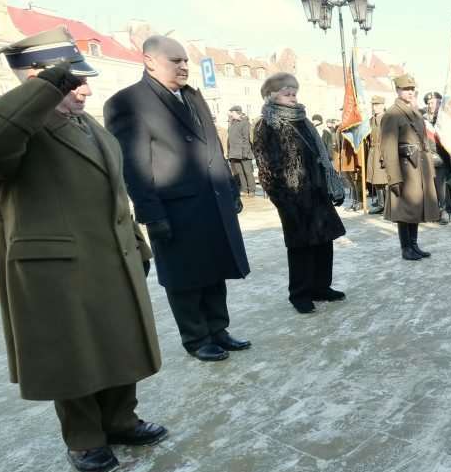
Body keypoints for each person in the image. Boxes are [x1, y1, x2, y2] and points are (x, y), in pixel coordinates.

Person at [0, 28, 166, 472]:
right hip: (54, 266)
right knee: (74, 355)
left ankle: (121, 420)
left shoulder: (88, 125)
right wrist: (45, 90)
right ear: (36, 79)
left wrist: (137, 243)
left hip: (111, 254)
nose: (85, 89)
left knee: (119, 340)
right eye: (72, 82)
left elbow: (114, 193)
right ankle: (85, 439)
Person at [104, 35, 251, 363]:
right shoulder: (128, 102)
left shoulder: (192, 97)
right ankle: (196, 338)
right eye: (176, 60)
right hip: (174, 207)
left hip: (211, 200)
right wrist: (151, 213)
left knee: (214, 267)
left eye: (186, 60)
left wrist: (229, 188)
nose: (184, 66)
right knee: (185, 276)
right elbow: (134, 165)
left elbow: (213, 145)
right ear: (149, 61)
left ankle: (218, 329)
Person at [252, 73, 347, 313]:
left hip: (317, 191)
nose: (292, 97)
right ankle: (300, 294)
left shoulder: (303, 120)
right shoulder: (267, 125)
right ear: (270, 95)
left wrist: (328, 183)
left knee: (324, 242)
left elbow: (319, 154)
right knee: (300, 247)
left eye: (294, 92)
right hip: (292, 196)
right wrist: (282, 200)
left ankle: (321, 287)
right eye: (286, 92)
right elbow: (266, 168)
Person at [381, 74, 440, 259]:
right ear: (397, 90)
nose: (410, 92)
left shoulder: (415, 113)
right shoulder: (392, 114)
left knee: (415, 208)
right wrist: (394, 177)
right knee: (404, 211)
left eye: (412, 89)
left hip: (418, 168)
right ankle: (405, 248)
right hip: (404, 169)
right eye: (406, 89)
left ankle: (414, 245)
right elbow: (388, 148)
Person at [423, 91, 451, 224]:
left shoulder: (445, 119)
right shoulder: (423, 119)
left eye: (433, 102)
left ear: (440, 103)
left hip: (441, 156)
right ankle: (433, 211)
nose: (430, 105)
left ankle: (444, 211)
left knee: (441, 186)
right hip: (427, 156)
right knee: (430, 187)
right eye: (429, 103)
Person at [225, 106, 255, 197]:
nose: (230, 114)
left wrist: (245, 152)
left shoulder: (245, 123)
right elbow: (230, 140)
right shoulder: (232, 124)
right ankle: (245, 190)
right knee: (240, 173)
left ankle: (252, 190)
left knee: (248, 172)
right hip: (234, 153)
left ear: (237, 112)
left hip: (244, 152)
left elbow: (246, 138)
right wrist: (229, 153)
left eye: (232, 112)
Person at [366, 98, 387, 214]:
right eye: (373, 105)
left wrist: (385, 155)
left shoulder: (386, 119)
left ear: (383, 105)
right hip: (373, 150)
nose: (375, 107)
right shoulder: (371, 120)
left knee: (385, 180)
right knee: (376, 179)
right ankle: (381, 204)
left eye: (377, 105)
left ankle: (388, 206)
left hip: (382, 150)